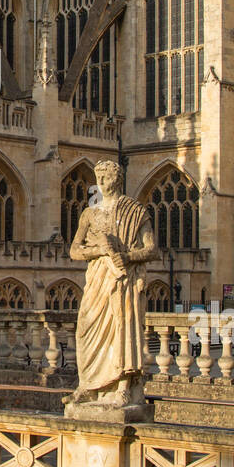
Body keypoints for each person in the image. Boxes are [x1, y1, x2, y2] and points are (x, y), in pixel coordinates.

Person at [68, 160, 156, 408]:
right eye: (98, 178)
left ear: (117, 179)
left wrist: (126, 256)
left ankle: (123, 387)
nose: (101, 183)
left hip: (122, 280)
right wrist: (98, 249)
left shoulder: (135, 211)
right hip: (97, 277)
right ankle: (88, 384)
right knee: (85, 326)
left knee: (122, 329)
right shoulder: (90, 213)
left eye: (105, 177)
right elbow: (75, 250)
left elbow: (152, 249)